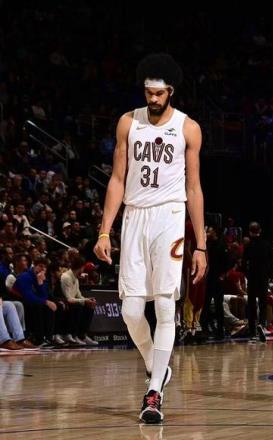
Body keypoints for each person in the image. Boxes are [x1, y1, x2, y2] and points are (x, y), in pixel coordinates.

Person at [93, 53, 207, 424]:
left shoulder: (188, 127)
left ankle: (154, 391)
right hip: (135, 215)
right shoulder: (128, 122)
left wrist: (201, 244)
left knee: (164, 307)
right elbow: (117, 178)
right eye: (148, 92)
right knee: (130, 311)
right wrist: (105, 230)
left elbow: (194, 187)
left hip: (169, 217)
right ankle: (156, 366)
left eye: (158, 93)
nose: (153, 98)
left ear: (170, 91)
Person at [242, 221, 273, 342]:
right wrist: (269, 275)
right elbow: (272, 262)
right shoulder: (266, 244)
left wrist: (247, 274)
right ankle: (262, 324)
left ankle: (252, 333)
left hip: (252, 277)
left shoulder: (248, 246)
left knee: (251, 304)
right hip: (263, 277)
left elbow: (243, 263)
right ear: (260, 231)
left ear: (250, 232)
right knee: (263, 303)